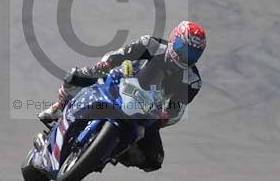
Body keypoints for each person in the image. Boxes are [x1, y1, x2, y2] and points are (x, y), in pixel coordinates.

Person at [37, 21, 205, 172]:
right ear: (174, 39)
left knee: (154, 159)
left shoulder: (193, 81)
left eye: (193, 54)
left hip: (148, 110)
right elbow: (120, 55)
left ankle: (112, 152)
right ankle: (59, 106)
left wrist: (165, 116)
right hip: (122, 84)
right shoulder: (151, 45)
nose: (186, 56)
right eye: (183, 49)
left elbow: (178, 107)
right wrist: (107, 64)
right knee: (75, 76)